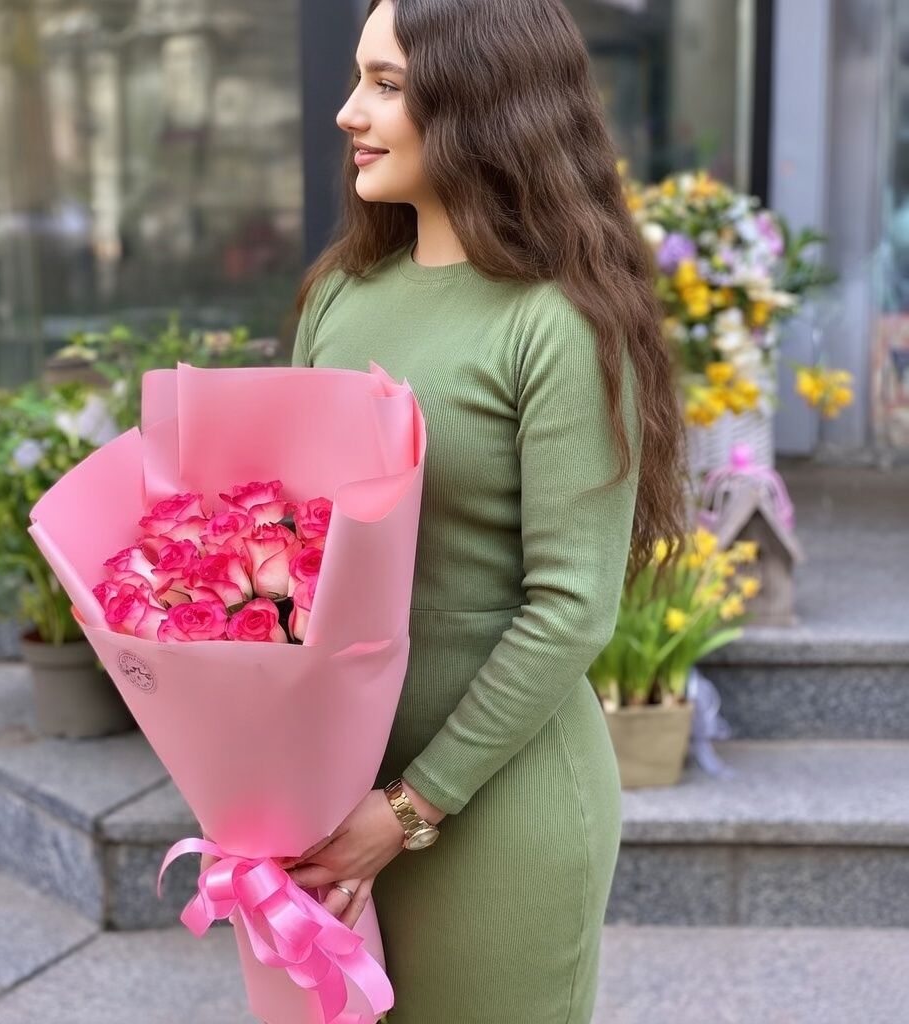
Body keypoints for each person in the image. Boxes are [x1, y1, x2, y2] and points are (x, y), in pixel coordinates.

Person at [281, 1, 687, 1020]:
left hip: (498, 809)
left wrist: (407, 808)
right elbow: (293, 547)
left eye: (386, 85)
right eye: (358, 79)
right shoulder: (338, 295)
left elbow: (571, 608)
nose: (347, 111)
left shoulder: (557, 320)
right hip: (333, 801)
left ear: (480, 104)